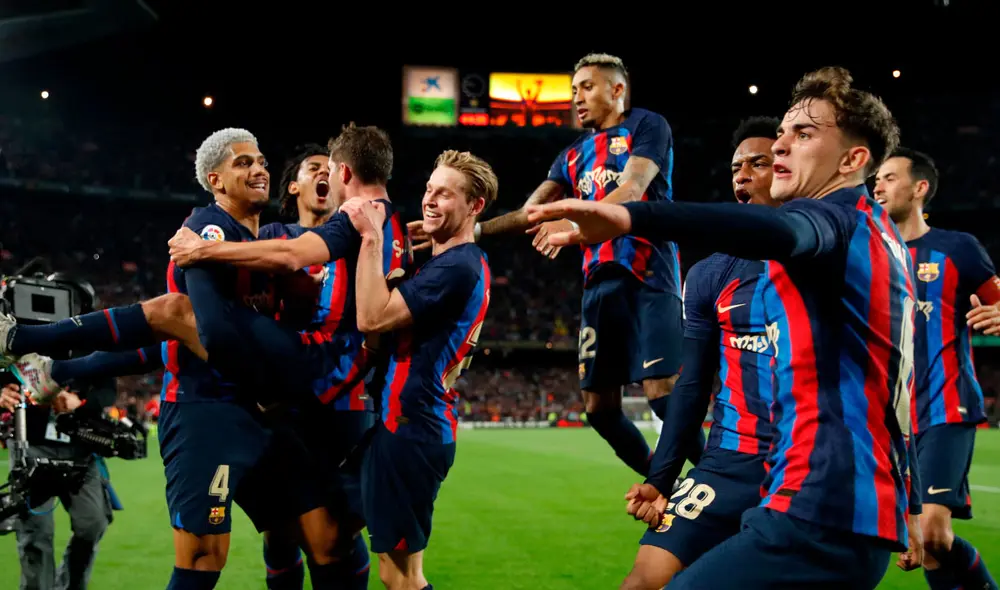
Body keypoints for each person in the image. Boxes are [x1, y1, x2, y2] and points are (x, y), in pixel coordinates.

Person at [527, 66, 921, 589]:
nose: (781, 147)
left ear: (852, 160)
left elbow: (783, 228)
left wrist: (631, 218)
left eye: (802, 135)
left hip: (821, 505)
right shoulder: (877, 239)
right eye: (781, 134)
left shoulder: (834, 223)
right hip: (816, 496)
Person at [1, 129, 337, 589]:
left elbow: (165, 343)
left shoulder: (271, 239)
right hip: (208, 414)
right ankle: (25, 342)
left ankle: (46, 360)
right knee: (203, 559)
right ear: (215, 180)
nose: (259, 169)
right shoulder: (206, 227)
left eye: (261, 160)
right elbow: (208, 333)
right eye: (243, 164)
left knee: (327, 541)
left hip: (267, 419)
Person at [411, 52, 691, 477]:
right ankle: (665, 485)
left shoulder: (647, 126)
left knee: (663, 395)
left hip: (648, 271)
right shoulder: (572, 154)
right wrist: (472, 230)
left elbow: (632, 188)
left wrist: (576, 222)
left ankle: (716, 483)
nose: (577, 97)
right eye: (574, 89)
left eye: (587, 87)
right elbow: (531, 212)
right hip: (599, 284)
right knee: (598, 409)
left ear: (618, 90)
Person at [620, 116, 780, 589]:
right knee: (643, 579)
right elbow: (691, 385)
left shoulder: (822, 263)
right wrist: (661, 478)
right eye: (736, 168)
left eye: (759, 163)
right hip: (725, 462)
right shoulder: (711, 274)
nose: (743, 175)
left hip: (798, 464)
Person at [339, 149, 495, 590]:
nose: (429, 200)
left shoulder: (457, 266)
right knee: (337, 529)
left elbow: (371, 319)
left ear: (475, 206)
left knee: (402, 576)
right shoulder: (451, 263)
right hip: (404, 425)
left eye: (445, 195)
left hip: (412, 430)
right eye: (429, 189)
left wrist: (371, 238)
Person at [874, 148, 1000, 590]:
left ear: (919, 188)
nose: (878, 185)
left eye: (890, 177)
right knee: (926, 550)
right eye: (877, 179)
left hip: (946, 407)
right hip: (889, 421)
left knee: (930, 533)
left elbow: (998, 299)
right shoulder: (868, 253)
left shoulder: (957, 248)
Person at [1, 369, 115, 590]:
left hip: (80, 445)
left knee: (93, 523)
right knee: (35, 532)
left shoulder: (91, 339)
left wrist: (82, 401)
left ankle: (68, 585)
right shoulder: (22, 335)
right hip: (30, 442)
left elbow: (108, 389)